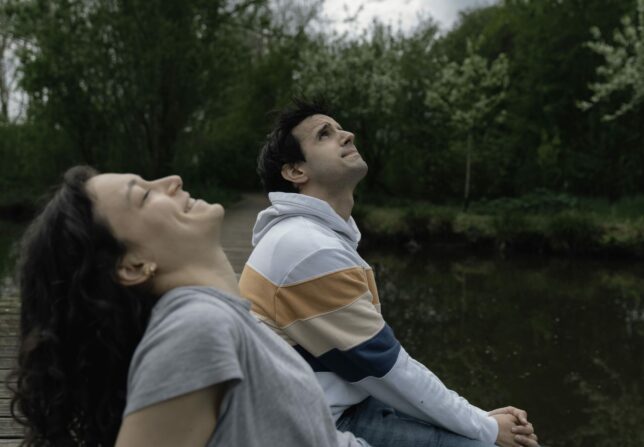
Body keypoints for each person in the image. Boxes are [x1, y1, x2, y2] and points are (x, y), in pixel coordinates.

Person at [238, 100, 540, 447]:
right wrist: (487, 428)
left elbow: (381, 367)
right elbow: (387, 368)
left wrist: (479, 417)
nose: (347, 135)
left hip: (340, 402)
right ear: (295, 171)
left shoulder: (311, 236)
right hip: (313, 425)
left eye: (340, 128)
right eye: (325, 134)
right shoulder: (307, 247)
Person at [10, 165, 370, 447]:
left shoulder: (225, 321)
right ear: (133, 265)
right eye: (144, 195)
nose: (173, 181)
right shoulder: (195, 329)